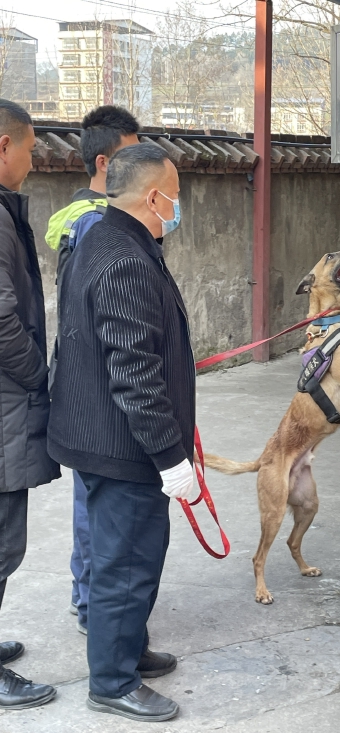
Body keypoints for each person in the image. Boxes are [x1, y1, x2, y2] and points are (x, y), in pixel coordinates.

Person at [48, 143, 195, 722]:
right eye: (175, 197)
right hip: (121, 441)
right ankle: (111, 681)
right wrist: (170, 456)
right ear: (153, 196)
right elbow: (134, 372)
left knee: (131, 555)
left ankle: (127, 650)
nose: (177, 208)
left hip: (105, 432)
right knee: (126, 563)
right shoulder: (124, 257)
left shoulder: (110, 239)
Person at [45, 105, 139, 636]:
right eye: (133, 156)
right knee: (100, 501)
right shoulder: (94, 226)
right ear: (104, 163)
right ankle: (92, 605)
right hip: (97, 389)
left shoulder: (93, 219)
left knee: (98, 498)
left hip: (93, 382)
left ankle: (92, 599)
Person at [0, 99, 60, 709]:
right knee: (1, 541)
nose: (33, 158)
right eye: (30, 147)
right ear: (3, 146)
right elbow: (0, 321)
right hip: (6, 404)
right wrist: (36, 377)